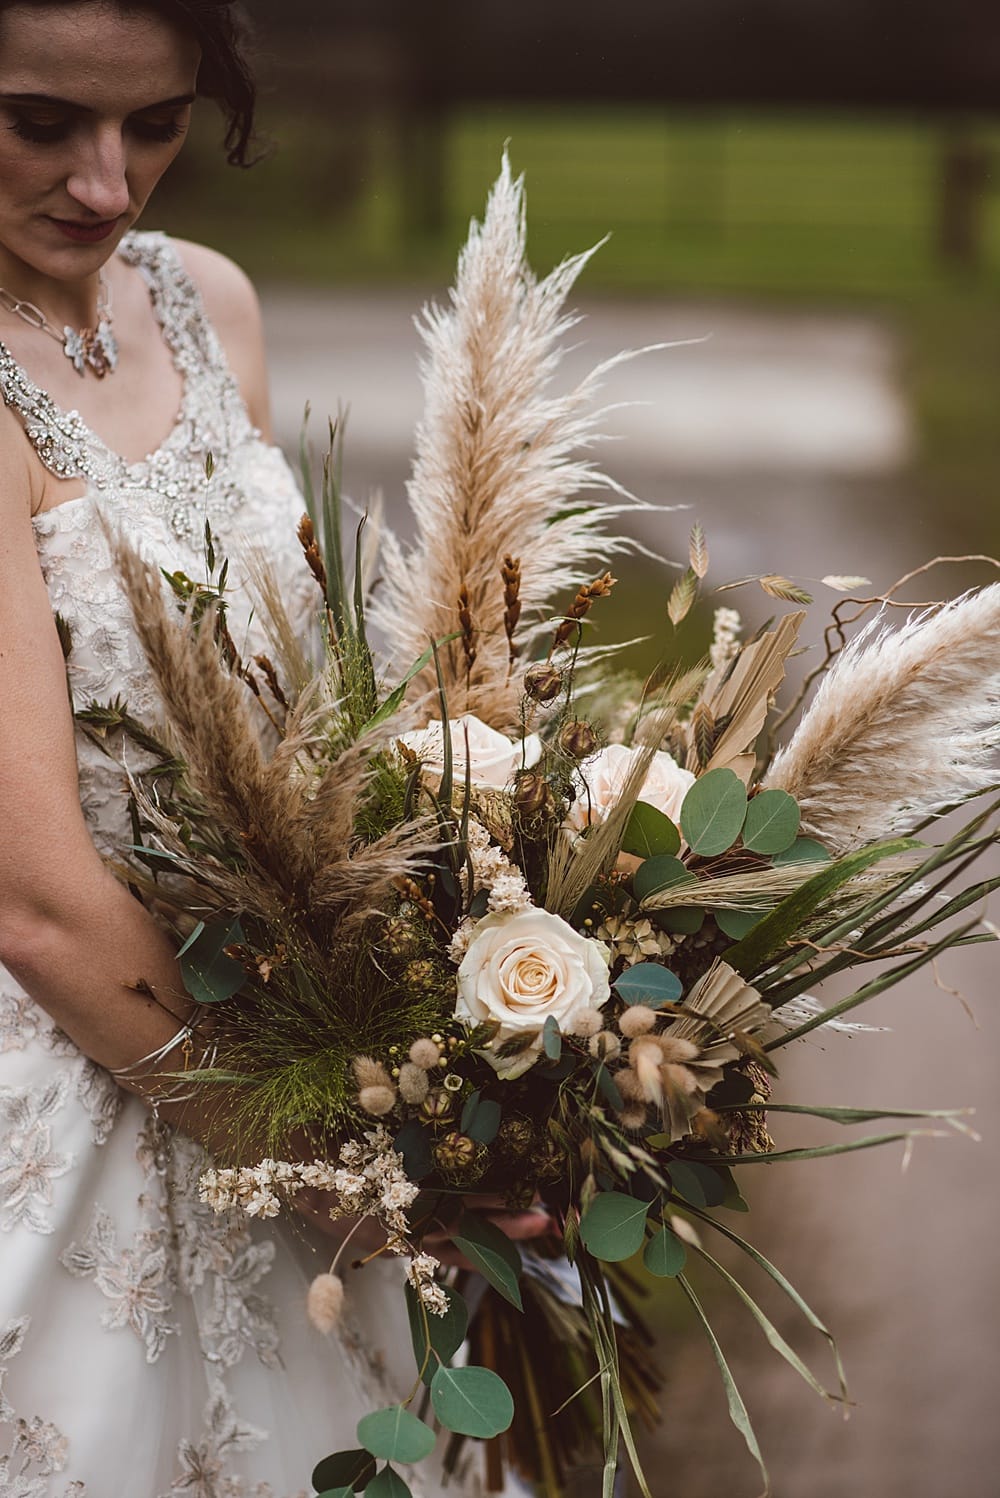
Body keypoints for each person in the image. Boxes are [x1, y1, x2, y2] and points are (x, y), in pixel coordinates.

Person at [0, 5, 541, 1493]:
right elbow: (32, 901)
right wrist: (320, 1172)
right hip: (84, 1061)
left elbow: (283, 704)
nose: (107, 183)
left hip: (291, 1021)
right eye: (39, 123)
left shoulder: (207, 302)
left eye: (156, 123)